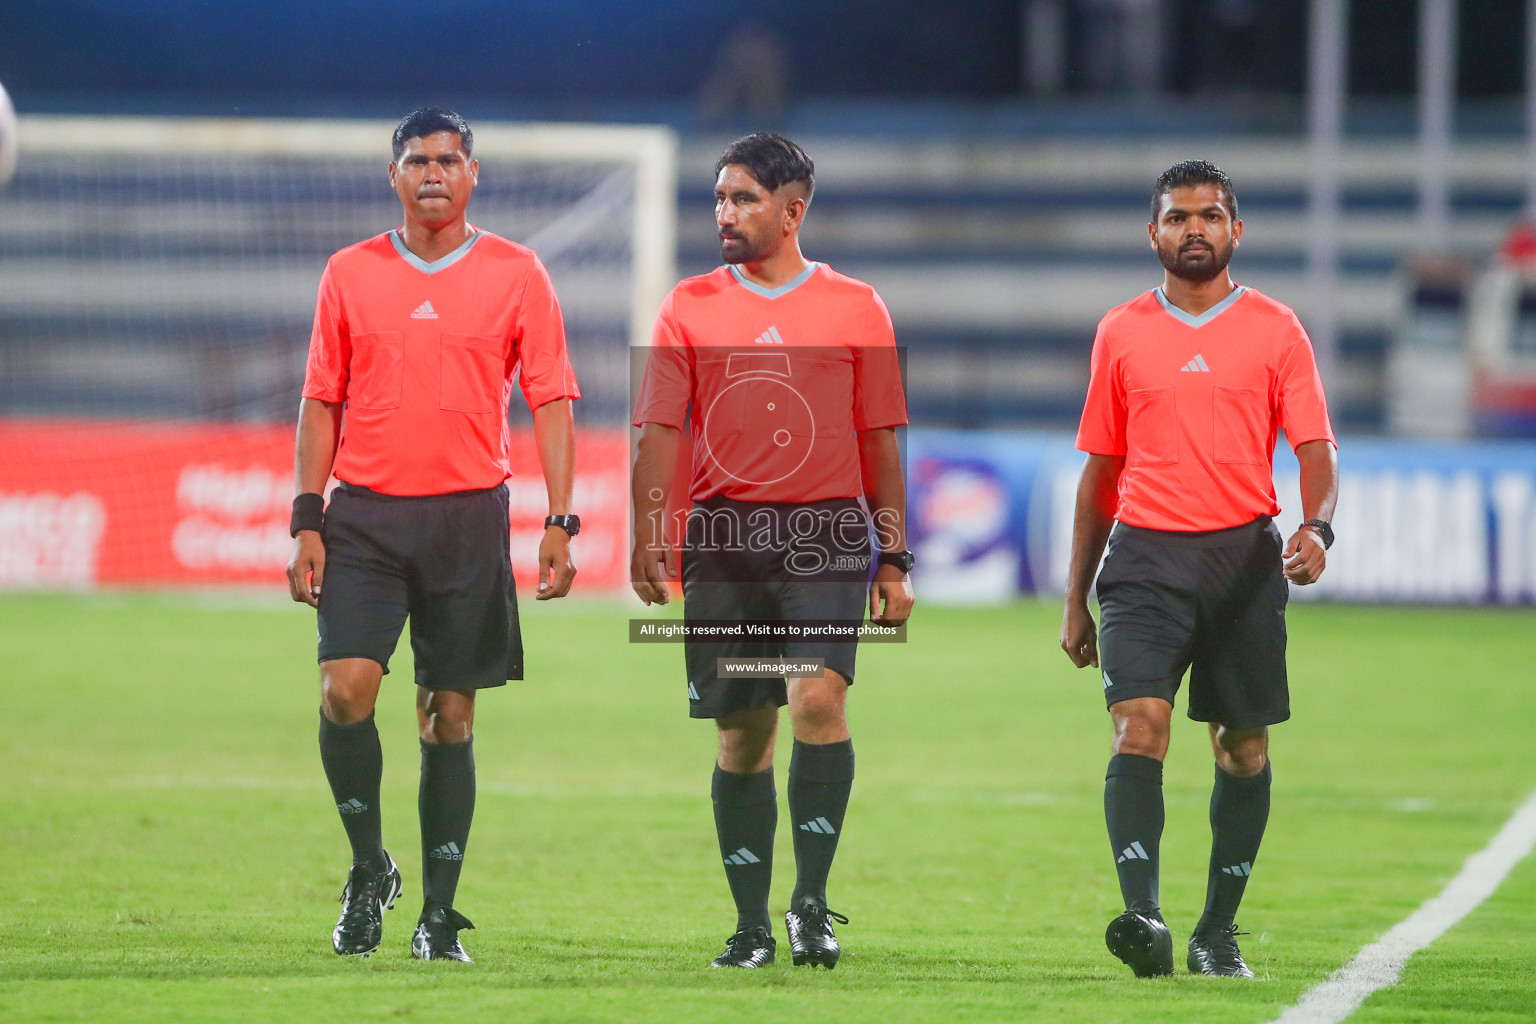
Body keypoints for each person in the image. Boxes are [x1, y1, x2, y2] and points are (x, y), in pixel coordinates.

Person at [285, 107, 580, 962]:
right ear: (394, 176)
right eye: (417, 161)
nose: (433, 174)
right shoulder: (349, 273)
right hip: (366, 516)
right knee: (345, 691)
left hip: (468, 516)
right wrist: (308, 516)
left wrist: (561, 518)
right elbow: (320, 400)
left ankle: (438, 912)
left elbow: (552, 397)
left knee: (447, 716)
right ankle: (370, 866)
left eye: (449, 160)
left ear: (473, 175)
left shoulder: (519, 273)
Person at [630, 133, 914, 969]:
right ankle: (751, 924)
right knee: (742, 733)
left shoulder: (858, 306)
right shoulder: (686, 305)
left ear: (793, 212)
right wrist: (653, 532)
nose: (725, 212)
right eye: (719, 198)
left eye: (743, 199)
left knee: (818, 702)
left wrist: (893, 559)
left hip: (825, 531)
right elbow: (659, 429)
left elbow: (881, 437)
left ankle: (812, 906)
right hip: (723, 538)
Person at [1059, 160, 1339, 978]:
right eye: (1178, 217)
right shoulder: (1120, 330)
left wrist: (1317, 526)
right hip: (1144, 557)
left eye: (1210, 216)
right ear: (1154, 234)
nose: (1194, 229)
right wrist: (1074, 598)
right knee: (1136, 724)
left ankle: (1216, 932)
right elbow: (1100, 470)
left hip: (1244, 557)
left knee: (1240, 748)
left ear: (1235, 232)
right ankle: (1143, 917)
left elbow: (1315, 447)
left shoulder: (1278, 328)